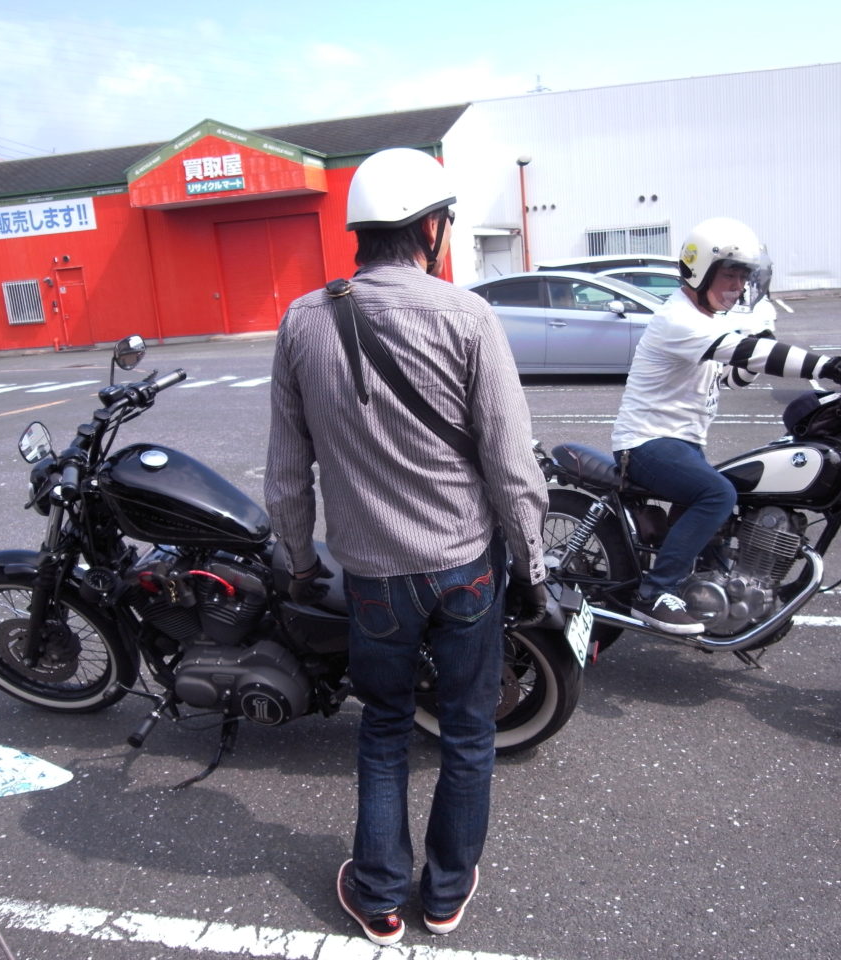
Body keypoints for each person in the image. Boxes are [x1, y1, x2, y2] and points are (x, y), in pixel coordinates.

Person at [263, 147, 549, 946]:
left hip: (373, 578)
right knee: (467, 731)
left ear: (362, 230)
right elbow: (511, 463)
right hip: (465, 569)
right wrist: (533, 562)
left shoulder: (303, 321)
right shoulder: (469, 316)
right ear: (430, 228)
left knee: (385, 727)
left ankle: (381, 895)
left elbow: (287, 473)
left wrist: (299, 560)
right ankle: (446, 893)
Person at [611, 216, 841, 635]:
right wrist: (833, 367)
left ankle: (714, 594)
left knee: (736, 495)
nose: (737, 287)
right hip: (646, 443)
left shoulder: (706, 321)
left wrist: (757, 348)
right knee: (718, 494)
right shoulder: (678, 319)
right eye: (729, 276)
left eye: (742, 278)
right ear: (700, 271)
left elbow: (731, 376)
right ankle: (654, 593)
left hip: (681, 444)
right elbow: (746, 353)